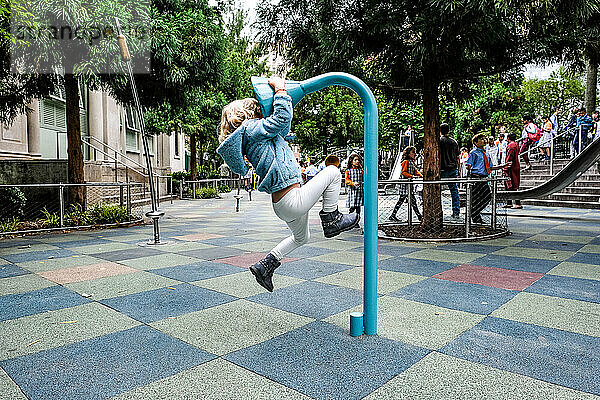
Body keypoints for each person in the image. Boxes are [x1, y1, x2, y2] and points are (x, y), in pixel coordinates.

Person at [216, 76, 359, 292]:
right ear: (247, 116)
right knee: (331, 172)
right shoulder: (252, 129)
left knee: (302, 237)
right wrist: (281, 90)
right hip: (292, 200)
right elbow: (281, 117)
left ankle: (266, 265)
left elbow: (282, 127)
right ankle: (331, 219)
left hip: (284, 204)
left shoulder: (259, 136)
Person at [465, 133, 507, 224]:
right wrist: (469, 167)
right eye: (481, 139)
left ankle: (475, 212)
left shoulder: (486, 153)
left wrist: (502, 166)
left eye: (484, 139)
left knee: (487, 196)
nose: (484, 140)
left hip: (484, 178)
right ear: (475, 142)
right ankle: (475, 217)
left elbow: (490, 167)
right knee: (476, 197)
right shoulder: (473, 152)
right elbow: (468, 165)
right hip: (476, 178)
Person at [389, 146, 422, 222]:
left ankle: (393, 215)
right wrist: (411, 176)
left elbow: (415, 171)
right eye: (413, 152)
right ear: (408, 153)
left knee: (405, 200)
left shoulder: (412, 162)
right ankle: (419, 216)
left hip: (409, 184)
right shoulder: (405, 162)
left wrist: (420, 175)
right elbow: (403, 172)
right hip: (405, 184)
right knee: (411, 201)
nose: (415, 154)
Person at [439, 123, 460, 218]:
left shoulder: (439, 141)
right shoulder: (454, 142)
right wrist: (458, 169)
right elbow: (457, 157)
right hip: (452, 168)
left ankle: (437, 210)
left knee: (436, 189)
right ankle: (456, 211)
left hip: (442, 169)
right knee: (454, 190)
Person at [345, 153, 364, 232]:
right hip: (352, 192)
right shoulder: (348, 171)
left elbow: (363, 179)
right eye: (355, 160)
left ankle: (356, 221)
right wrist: (352, 183)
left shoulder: (361, 170)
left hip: (359, 192)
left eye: (358, 160)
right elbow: (347, 180)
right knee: (352, 207)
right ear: (351, 161)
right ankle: (351, 221)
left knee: (358, 208)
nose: (357, 161)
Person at [502, 133, 522, 209]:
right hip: (515, 166)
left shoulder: (511, 146)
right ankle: (509, 202)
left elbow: (509, 157)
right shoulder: (516, 145)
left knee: (512, 185)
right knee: (510, 185)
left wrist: (505, 167)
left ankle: (517, 203)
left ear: (509, 138)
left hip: (511, 167)